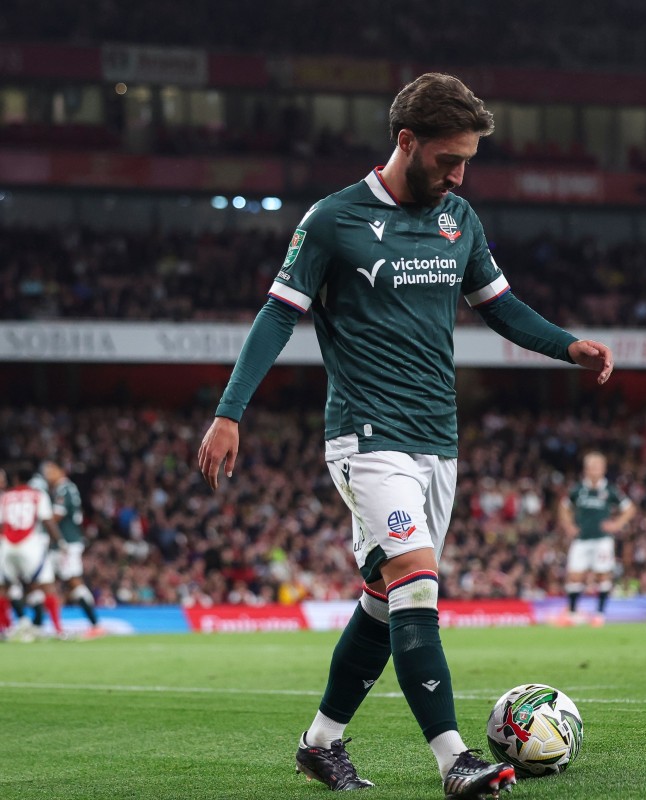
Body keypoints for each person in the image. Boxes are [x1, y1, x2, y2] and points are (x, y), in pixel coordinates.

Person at [198, 72, 614, 798]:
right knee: (418, 587)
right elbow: (276, 315)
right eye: (447, 159)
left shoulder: (459, 220)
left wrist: (568, 346)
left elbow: (502, 307)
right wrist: (230, 411)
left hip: (437, 439)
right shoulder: (333, 220)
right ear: (406, 141)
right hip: (366, 438)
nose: (458, 175)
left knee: (386, 600)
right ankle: (455, 759)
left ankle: (320, 744)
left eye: (467, 163)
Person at [558, 451, 636, 626]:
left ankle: (600, 615)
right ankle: (572, 613)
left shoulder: (609, 490)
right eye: (592, 467)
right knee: (574, 575)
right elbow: (563, 507)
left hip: (602, 539)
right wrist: (568, 525)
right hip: (582, 538)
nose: (595, 470)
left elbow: (630, 508)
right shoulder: (578, 490)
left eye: (598, 467)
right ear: (586, 469)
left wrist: (617, 524)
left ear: (603, 469)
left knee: (603, 574)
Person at [0, 461, 65, 638]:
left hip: (7, 545)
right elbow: (48, 521)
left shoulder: (5, 496)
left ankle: (4, 630)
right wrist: (60, 543)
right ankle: (58, 630)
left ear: (15, 478)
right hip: (29, 545)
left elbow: (1, 524)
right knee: (47, 586)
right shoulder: (38, 495)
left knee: (3, 588)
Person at [42, 460, 102, 635]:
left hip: (66, 543)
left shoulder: (64, 488)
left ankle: (95, 623)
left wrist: (38, 523)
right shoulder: (64, 489)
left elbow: (55, 517)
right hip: (62, 543)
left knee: (73, 581)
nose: (47, 475)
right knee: (44, 582)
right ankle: (40, 623)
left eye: (51, 470)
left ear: (60, 471)